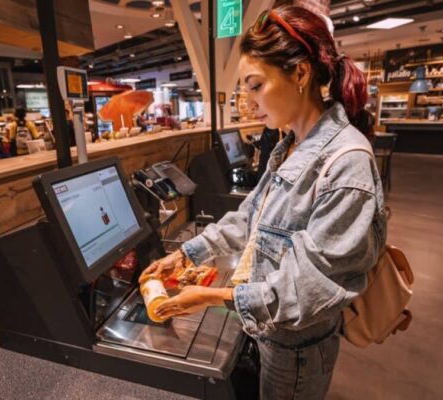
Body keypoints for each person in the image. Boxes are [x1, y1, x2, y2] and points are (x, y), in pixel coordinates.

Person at [140, 6, 386, 400]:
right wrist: (187, 255)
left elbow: (309, 287)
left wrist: (211, 298)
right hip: (271, 338)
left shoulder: (347, 164)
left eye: (256, 86)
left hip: (297, 355)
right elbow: (250, 217)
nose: (249, 102)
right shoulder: (290, 147)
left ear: (301, 74)